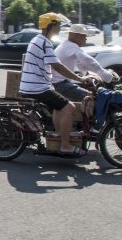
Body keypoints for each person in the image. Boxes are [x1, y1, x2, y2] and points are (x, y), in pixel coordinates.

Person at [20, 13, 92, 157]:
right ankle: (66, 146)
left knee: (58, 109)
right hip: (37, 87)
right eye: (58, 25)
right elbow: (57, 66)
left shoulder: (37, 39)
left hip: (36, 85)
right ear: (50, 26)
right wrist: (79, 78)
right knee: (69, 107)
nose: (59, 28)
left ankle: (59, 139)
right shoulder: (44, 42)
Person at [52, 23, 115, 101]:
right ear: (76, 36)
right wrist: (103, 73)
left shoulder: (66, 45)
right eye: (84, 36)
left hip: (59, 82)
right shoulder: (71, 46)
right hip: (59, 83)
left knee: (86, 88)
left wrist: (87, 74)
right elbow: (87, 60)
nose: (86, 39)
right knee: (89, 96)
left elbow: (80, 63)